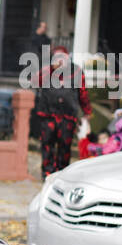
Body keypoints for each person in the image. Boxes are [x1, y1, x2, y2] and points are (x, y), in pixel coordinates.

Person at [32, 45, 91, 177]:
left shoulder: (76, 72)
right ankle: (47, 172)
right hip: (48, 114)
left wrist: (87, 111)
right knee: (47, 144)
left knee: (65, 146)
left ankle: (62, 173)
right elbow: (35, 81)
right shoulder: (47, 71)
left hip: (67, 116)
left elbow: (83, 93)